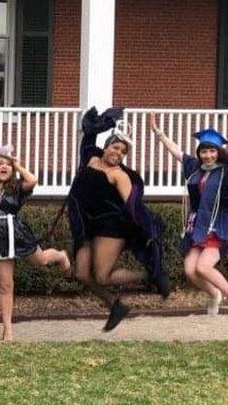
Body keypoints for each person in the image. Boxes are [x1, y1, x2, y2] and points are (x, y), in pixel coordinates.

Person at [0, 123, 71, 342]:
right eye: (0, 163)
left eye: (7, 165)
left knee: (40, 260)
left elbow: (33, 180)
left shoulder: (17, 187)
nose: (4, 167)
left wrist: (18, 166)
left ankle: (60, 255)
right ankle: (8, 328)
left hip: (16, 232)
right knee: (5, 284)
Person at [67, 107, 171, 332]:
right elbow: (88, 138)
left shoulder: (120, 175)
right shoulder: (91, 157)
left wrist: (148, 228)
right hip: (86, 226)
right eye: (115, 147)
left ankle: (149, 273)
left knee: (102, 276)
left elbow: (133, 206)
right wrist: (95, 126)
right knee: (82, 273)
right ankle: (115, 305)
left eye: (123, 151)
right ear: (107, 146)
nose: (118, 153)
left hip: (110, 227)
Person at [148, 114, 228, 319]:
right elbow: (177, 152)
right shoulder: (196, 168)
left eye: (212, 150)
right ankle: (214, 295)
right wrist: (159, 133)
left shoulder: (227, 170)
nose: (208, 155)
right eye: (204, 150)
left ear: (219, 152)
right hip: (199, 226)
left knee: (203, 267)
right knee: (190, 270)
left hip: (219, 224)